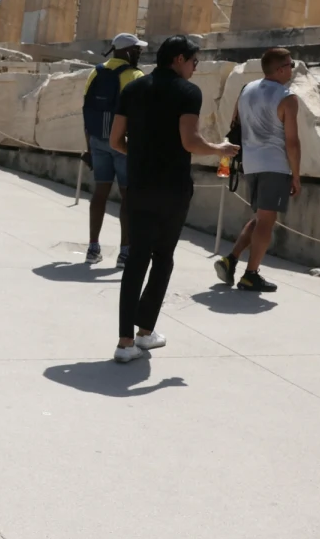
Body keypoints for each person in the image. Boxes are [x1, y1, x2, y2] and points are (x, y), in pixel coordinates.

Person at [109, 35, 238, 363]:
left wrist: (139, 156)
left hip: (138, 185)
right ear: (179, 59)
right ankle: (145, 332)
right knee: (162, 257)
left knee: (136, 259)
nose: (195, 68)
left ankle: (125, 342)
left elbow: (115, 140)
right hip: (172, 187)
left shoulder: (133, 88)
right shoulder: (187, 92)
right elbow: (190, 141)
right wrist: (219, 149)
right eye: (194, 62)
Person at [214, 48, 301, 292]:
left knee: (260, 217)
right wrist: (296, 175)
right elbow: (292, 142)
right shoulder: (288, 97)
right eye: (290, 64)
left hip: (250, 163)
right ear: (280, 69)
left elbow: (235, 125)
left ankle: (230, 259)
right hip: (276, 164)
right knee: (266, 221)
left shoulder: (246, 90)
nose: (292, 69)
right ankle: (251, 274)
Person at [81, 32, 147, 267]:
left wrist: (89, 147)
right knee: (128, 196)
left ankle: (93, 247)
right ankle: (125, 251)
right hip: (124, 142)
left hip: (98, 139)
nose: (140, 53)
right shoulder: (135, 75)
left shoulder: (95, 71)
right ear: (128, 52)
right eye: (137, 50)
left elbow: (86, 110)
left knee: (100, 193)